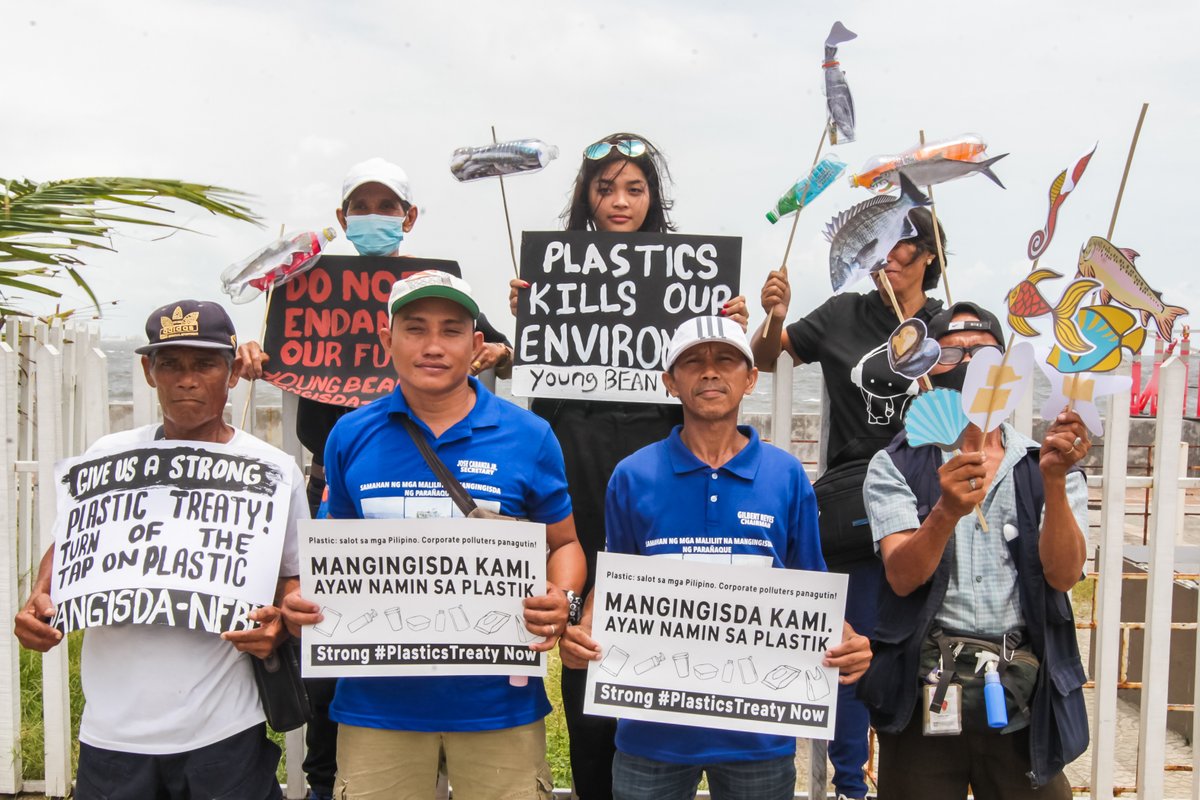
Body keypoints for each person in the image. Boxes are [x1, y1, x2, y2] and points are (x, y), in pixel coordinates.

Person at [238, 157, 513, 800]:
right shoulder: (304, 286)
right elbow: (265, 350)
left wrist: (501, 350)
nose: (374, 216)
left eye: (387, 206)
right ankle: (328, 779)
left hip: (427, 493)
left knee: (433, 634)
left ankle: (436, 773)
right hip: (332, 490)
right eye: (361, 205)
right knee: (332, 645)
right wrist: (248, 354)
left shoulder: (433, 291)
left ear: (409, 218)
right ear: (341, 218)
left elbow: (500, 345)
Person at [281, 269, 586, 800]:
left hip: (499, 704)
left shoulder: (529, 436)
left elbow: (564, 544)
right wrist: (304, 602)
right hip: (377, 706)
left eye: (451, 330)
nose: (433, 346)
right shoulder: (350, 435)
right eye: (415, 328)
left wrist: (564, 598)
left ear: (476, 344)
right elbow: (334, 557)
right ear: (387, 340)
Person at [509, 133, 749, 800]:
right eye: (605, 187)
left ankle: (663, 772)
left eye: (634, 188)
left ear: (653, 198)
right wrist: (530, 323)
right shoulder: (550, 279)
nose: (619, 201)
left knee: (661, 633)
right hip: (576, 478)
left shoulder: (690, 281)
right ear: (586, 196)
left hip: (658, 485)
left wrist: (731, 324)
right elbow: (538, 393)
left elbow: (712, 383)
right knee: (586, 646)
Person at [561, 314, 871, 800]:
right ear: (670, 382)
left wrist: (850, 640)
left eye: (726, 360)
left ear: (750, 378)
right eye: (692, 362)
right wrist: (581, 631)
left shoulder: (787, 476)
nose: (710, 372)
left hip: (759, 735)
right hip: (651, 732)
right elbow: (617, 579)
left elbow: (811, 587)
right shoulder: (631, 476)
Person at [15, 299, 306, 800]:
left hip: (223, 730)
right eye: (170, 364)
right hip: (112, 732)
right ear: (149, 372)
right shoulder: (110, 455)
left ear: (233, 371)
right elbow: (72, 545)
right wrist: (39, 599)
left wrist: (279, 622)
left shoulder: (273, 469)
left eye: (205, 364)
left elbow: (294, 575)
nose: (186, 379)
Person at [750, 209, 947, 800]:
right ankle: (848, 785)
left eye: (903, 244)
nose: (888, 253)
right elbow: (765, 357)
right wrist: (774, 316)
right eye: (877, 243)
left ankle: (927, 770)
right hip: (855, 502)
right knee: (850, 644)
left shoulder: (951, 321)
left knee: (930, 644)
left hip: (935, 498)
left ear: (931, 254)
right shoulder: (842, 314)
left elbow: (989, 384)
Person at [858, 302, 1089, 799]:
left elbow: (1065, 575)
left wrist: (1053, 481)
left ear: (1005, 370)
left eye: (982, 353)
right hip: (926, 689)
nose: (967, 365)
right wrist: (944, 511)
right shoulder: (894, 463)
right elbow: (902, 576)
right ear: (926, 365)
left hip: (1021, 691)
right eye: (952, 353)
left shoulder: (1040, 461)